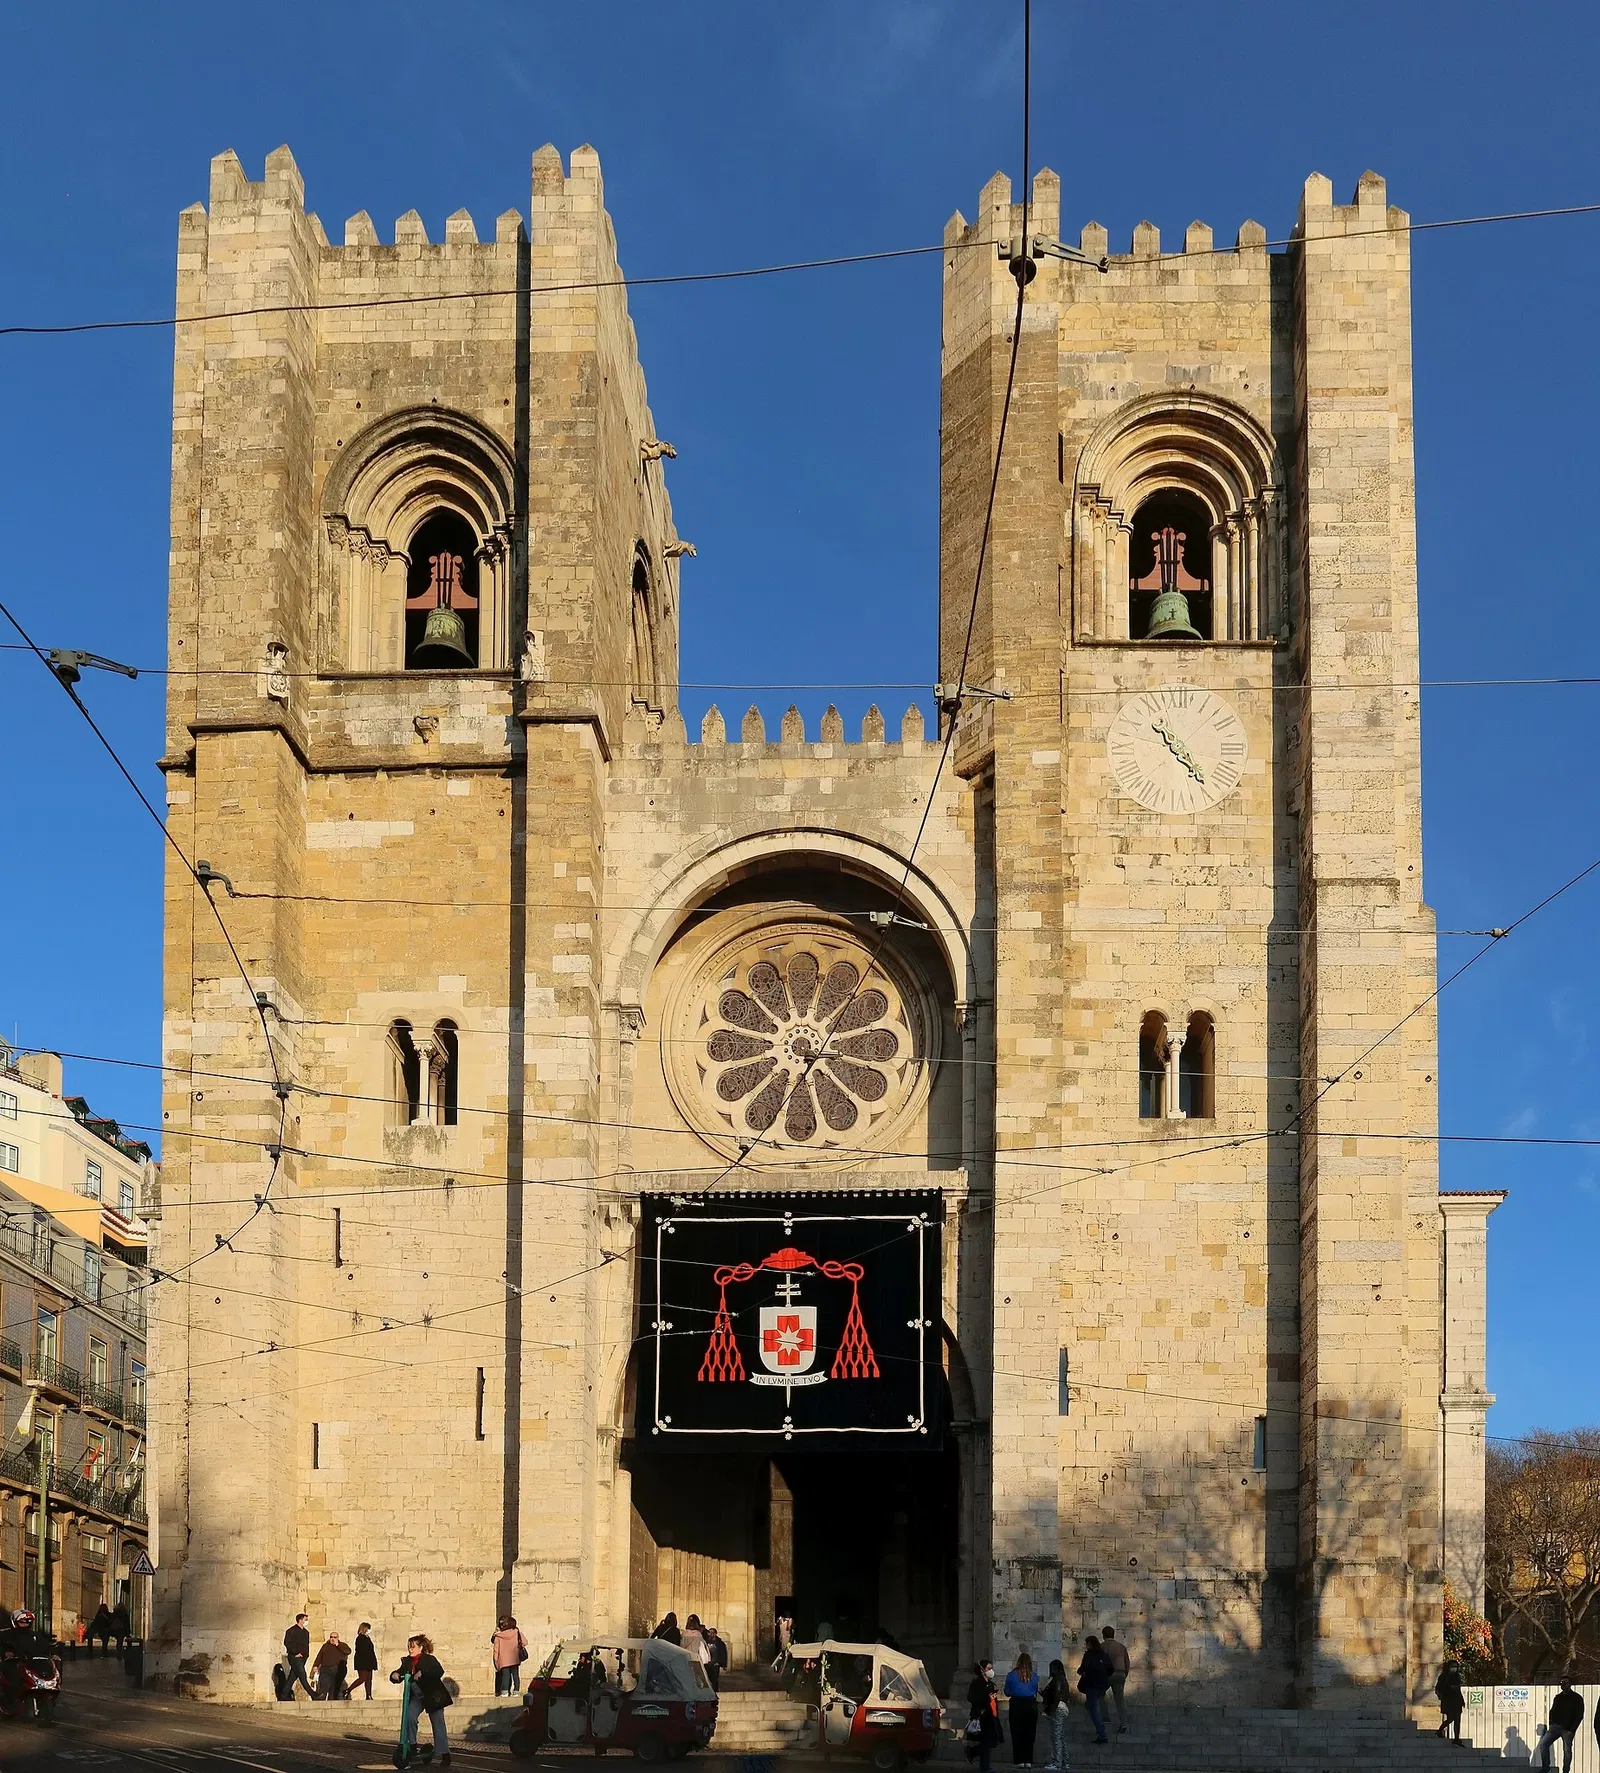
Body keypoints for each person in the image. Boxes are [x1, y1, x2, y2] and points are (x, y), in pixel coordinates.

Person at [390, 1632, 451, 1766]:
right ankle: (412, 1745)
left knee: (438, 1723)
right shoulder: (407, 1661)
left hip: (432, 1696)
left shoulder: (429, 1659)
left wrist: (423, 1672)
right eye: (409, 1646)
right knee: (410, 1717)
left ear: (420, 1648)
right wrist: (394, 1675)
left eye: (413, 1646)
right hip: (417, 1696)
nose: (410, 1649)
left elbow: (438, 1671)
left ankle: (444, 1753)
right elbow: (400, 1672)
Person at [965, 1660, 1003, 1773]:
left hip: (991, 1716)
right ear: (982, 1670)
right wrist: (988, 1698)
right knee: (986, 1742)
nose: (991, 1671)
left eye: (991, 1668)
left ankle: (972, 1752)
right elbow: (972, 1698)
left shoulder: (990, 1683)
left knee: (992, 1742)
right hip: (982, 1716)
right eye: (988, 1668)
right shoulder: (976, 1683)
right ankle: (984, 1767)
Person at [1004, 1652, 1039, 1767]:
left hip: (1017, 1704)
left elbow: (1007, 1692)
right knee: (1029, 1734)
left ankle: (1019, 1760)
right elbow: (1035, 1690)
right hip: (1030, 1704)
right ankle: (1028, 1760)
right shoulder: (1034, 1676)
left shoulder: (1011, 1675)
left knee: (1017, 1733)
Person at [1075, 1635, 1111, 1747]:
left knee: (1093, 1710)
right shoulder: (1104, 1655)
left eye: (1087, 1643)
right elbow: (1111, 1669)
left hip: (1091, 1684)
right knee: (1091, 1705)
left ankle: (1102, 1734)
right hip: (1102, 1685)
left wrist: (1081, 1672)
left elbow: (1084, 1668)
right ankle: (1100, 1725)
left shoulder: (1089, 1655)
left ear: (1090, 1644)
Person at [1542, 1678, 1585, 1771]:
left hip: (1567, 1729)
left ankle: (1566, 1770)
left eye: (1565, 1683)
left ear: (1570, 1684)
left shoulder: (1577, 1698)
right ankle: (1545, 1768)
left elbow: (1579, 1715)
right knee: (1543, 1744)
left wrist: (1572, 1730)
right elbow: (1552, 1710)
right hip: (1555, 1727)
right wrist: (1551, 1723)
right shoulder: (1558, 1697)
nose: (1563, 1685)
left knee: (1567, 1751)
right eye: (1561, 1683)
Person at [1040, 1658, 1069, 1772]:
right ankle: (1064, 1761)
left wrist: (1049, 1710)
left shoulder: (1057, 1679)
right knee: (1060, 1736)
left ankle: (1057, 1762)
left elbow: (1056, 1696)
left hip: (1057, 1708)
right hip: (1062, 1708)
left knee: (1056, 1736)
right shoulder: (1062, 1679)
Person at [1100, 1627, 1129, 1735]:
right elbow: (1127, 1662)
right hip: (1120, 1673)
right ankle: (1124, 1723)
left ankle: (1105, 1716)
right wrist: (1124, 1674)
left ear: (1103, 1635)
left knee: (1099, 1694)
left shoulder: (1102, 1646)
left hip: (1107, 1674)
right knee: (1120, 1700)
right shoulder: (1121, 1647)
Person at [492, 1615, 527, 1697]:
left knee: (505, 1676)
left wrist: (496, 1662)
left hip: (503, 1660)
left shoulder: (498, 1636)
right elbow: (525, 1642)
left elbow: (496, 1650)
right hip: (514, 1658)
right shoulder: (516, 1632)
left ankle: (505, 1692)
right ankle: (516, 1691)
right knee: (515, 1675)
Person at [283, 1612, 316, 1700]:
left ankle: (283, 1695)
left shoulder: (306, 1632)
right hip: (294, 1657)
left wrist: (306, 1655)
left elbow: (306, 1645)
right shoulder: (291, 1630)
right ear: (300, 1620)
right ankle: (313, 1694)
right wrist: (295, 1652)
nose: (306, 1621)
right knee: (302, 1675)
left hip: (303, 1658)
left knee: (292, 1677)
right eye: (305, 1619)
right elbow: (287, 1643)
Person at [1434, 1658, 1464, 1742]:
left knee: (1457, 1720)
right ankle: (1440, 1731)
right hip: (1448, 1700)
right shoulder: (1444, 1676)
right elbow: (1438, 1688)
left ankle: (1456, 1738)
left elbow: (1458, 1690)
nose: (1454, 1668)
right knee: (1451, 1718)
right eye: (1452, 1666)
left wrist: (1462, 1700)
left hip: (1457, 1701)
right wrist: (1442, 1695)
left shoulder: (1457, 1677)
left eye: (1456, 1667)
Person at [314, 1630, 349, 1701]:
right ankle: (320, 1701)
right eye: (331, 1637)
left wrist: (337, 1645)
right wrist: (316, 1665)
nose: (333, 1639)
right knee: (323, 1686)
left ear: (338, 1638)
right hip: (325, 1669)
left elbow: (347, 1651)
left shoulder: (342, 1645)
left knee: (334, 1689)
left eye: (335, 1637)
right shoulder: (325, 1646)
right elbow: (320, 1656)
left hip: (337, 1670)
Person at [348, 1623, 378, 1700]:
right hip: (362, 1662)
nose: (369, 1631)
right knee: (362, 1678)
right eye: (368, 1629)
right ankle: (348, 1690)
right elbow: (361, 1650)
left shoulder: (367, 1638)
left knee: (369, 1679)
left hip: (369, 1662)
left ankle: (368, 1695)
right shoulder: (360, 1638)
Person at [703, 1625, 728, 1692]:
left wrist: (723, 1664)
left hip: (715, 1664)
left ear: (715, 1634)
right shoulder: (706, 1642)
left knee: (714, 1680)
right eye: (710, 1632)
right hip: (708, 1663)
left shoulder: (720, 1643)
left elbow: (723, 1654)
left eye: (712, 1632)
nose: (711, 1634)